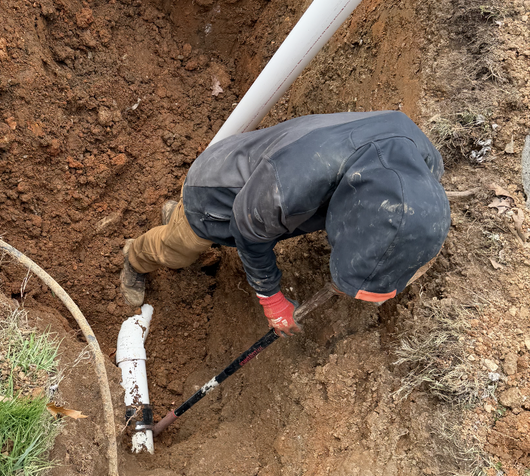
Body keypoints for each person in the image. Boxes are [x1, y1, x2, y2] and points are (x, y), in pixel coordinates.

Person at [120, 110, 450, 333]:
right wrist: (271, 298)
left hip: (257, 175)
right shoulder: (286, 188)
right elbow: (247, 235)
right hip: (215, 193)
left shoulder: (423, 160)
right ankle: (134, 256)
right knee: (179, 249)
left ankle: (175, 216)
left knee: (240, 220)